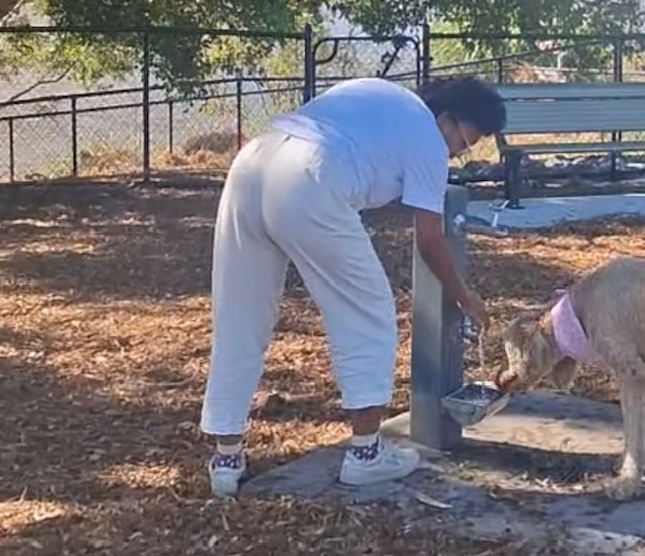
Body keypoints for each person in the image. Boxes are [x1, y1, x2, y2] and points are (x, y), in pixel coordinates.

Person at [199, 74, 507, 497]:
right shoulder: (428, 138)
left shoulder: (377, 95)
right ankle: (366, 454)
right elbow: (430, 238)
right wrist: (463, 294)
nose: (457, 154)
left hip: (252, 163)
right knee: (370, 314)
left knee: (240, 314)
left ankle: (226, 459)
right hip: (308, 177)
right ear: (448, 118)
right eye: (465, 142)